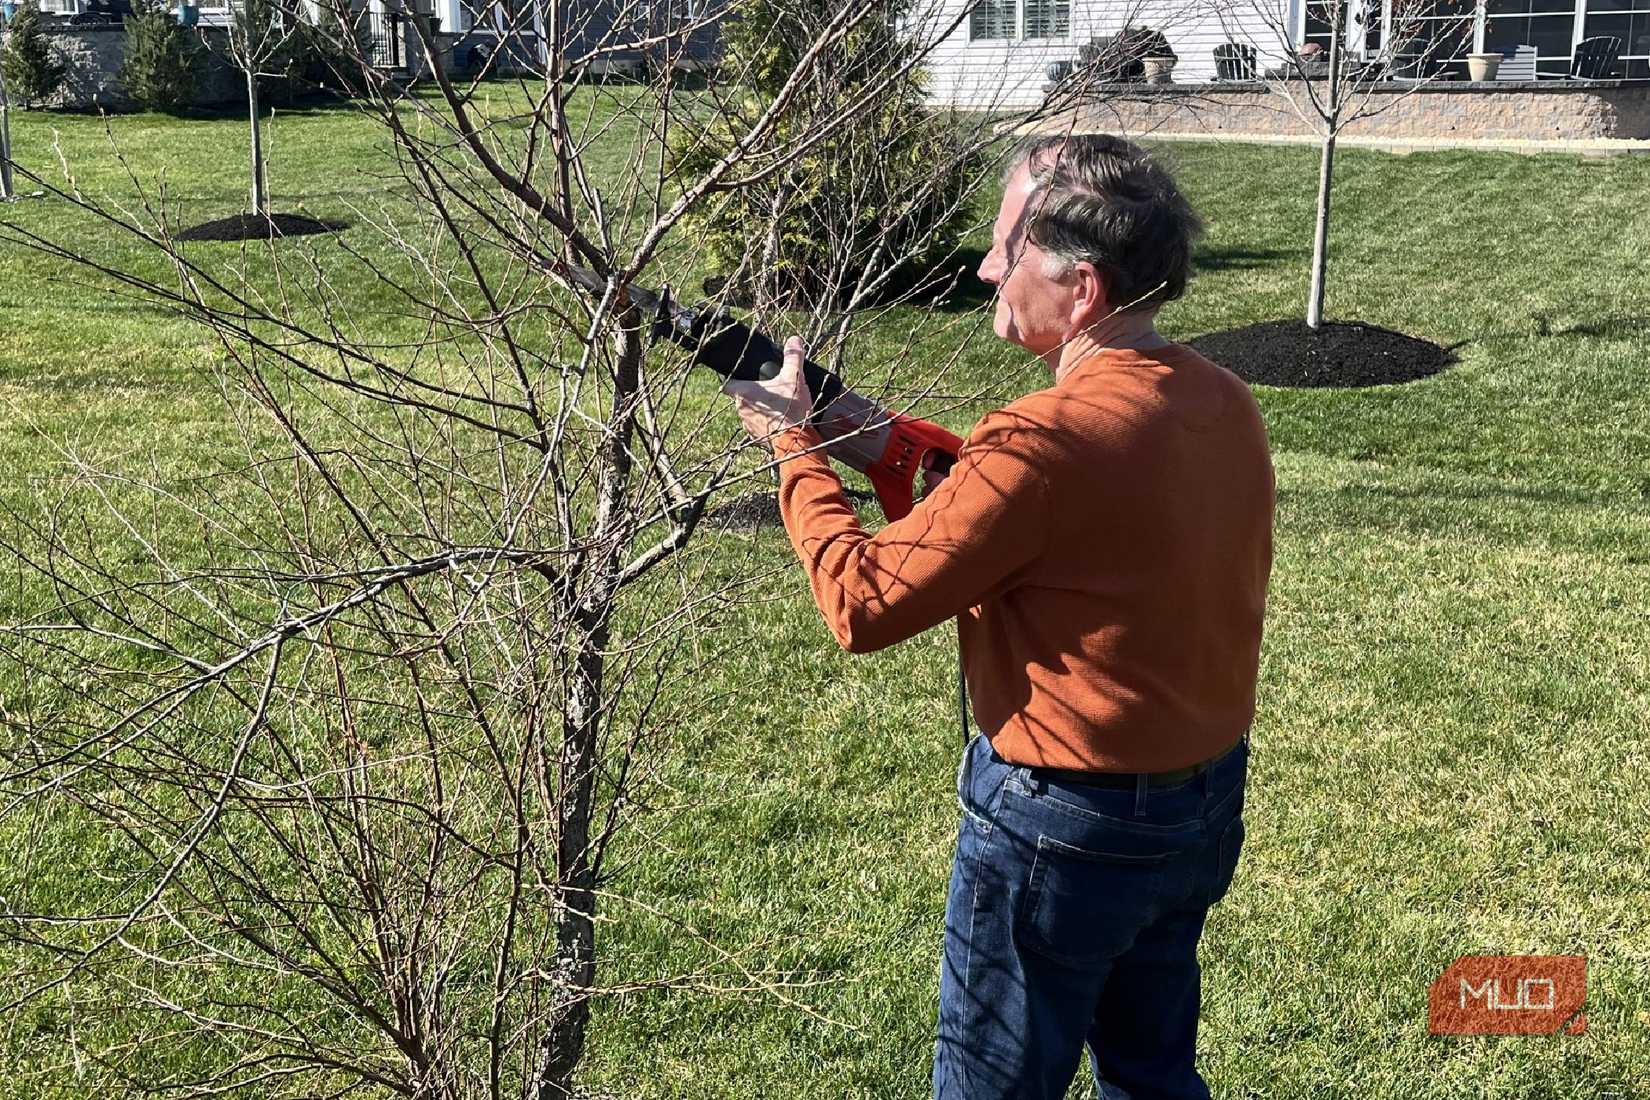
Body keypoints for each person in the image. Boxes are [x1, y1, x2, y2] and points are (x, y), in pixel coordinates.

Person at [723, 134, 1274, 1100]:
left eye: (1010, 250)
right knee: (1151, 1074)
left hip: (1064, 831)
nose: (987, 268)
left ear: (1084, 290)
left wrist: (791, 444)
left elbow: (863, 600)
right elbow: (1018, 506)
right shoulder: (1222, 402)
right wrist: (861, 428)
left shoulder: (1048, 441)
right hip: (1196, 809)